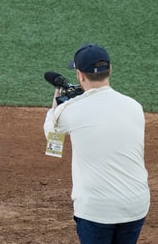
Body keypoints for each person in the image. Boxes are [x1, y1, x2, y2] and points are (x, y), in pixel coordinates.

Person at [43, 44, 149, 244]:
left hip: (97, 210)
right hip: (136, 204)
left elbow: (52, 137)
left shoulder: (70, 110)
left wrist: (56, 106)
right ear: (110, 70)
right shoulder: (134, 106)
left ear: (80, 75)